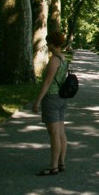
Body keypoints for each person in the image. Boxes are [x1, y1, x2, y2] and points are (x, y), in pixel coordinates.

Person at [32, 32, 69, 176]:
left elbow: (47, 82)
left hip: (52, 98)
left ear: (54, 43)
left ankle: (53, 166)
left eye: (49, 43)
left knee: (54, 134)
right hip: (61, 98)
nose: (48, 45)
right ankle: (61, 162)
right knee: (60, 132)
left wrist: (38, 100)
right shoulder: (63, 58)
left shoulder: (54, 60)